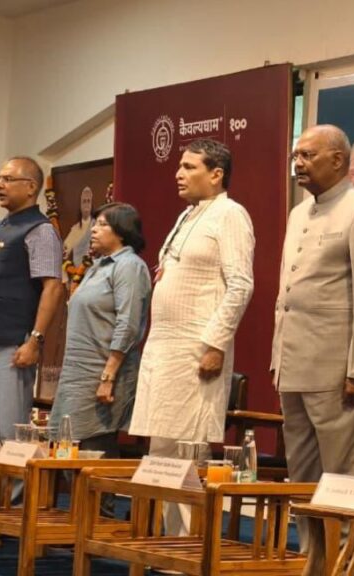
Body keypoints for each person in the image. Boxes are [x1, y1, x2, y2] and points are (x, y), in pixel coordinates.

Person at [272, 124, 354, 575]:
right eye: (296, 156)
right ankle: (313, 563)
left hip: (338, 371)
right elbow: (286, 293)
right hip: (294, 365)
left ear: (339, 160)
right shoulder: (298, 213)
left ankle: (344, 568)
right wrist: (277, 356)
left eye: (308, 155)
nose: (298, 164)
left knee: (341, 482)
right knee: (302, 480)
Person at [129, 139, 254, 536]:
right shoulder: (188, 215)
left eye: (189, 167)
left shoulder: (231, 214)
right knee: (161, 452)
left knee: (188, 451)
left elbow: (241, 284)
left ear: (216, 174)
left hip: (196, 349)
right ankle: (165, 544)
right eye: (179, 166)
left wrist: (215, 344)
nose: (178, 174)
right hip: (163, 349)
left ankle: (189, 547)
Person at [0, 156, 63, 441]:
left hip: (12, 348)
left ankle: (14, 476)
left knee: (11, 435)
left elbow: (53, 288)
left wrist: (35, 341)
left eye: (8, 179)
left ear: (31, 187)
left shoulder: (40, 230)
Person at [50, 202, 150, 460]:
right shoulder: (98, 266)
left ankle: (101, 492)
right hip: (77, 373)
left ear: (122, 231)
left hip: (102, 373)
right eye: (94, 224)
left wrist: (108, 376)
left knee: (93, 450)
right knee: (66, 449)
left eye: (103, 224)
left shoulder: (129, 265)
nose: (93, 229)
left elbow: (128, 324)